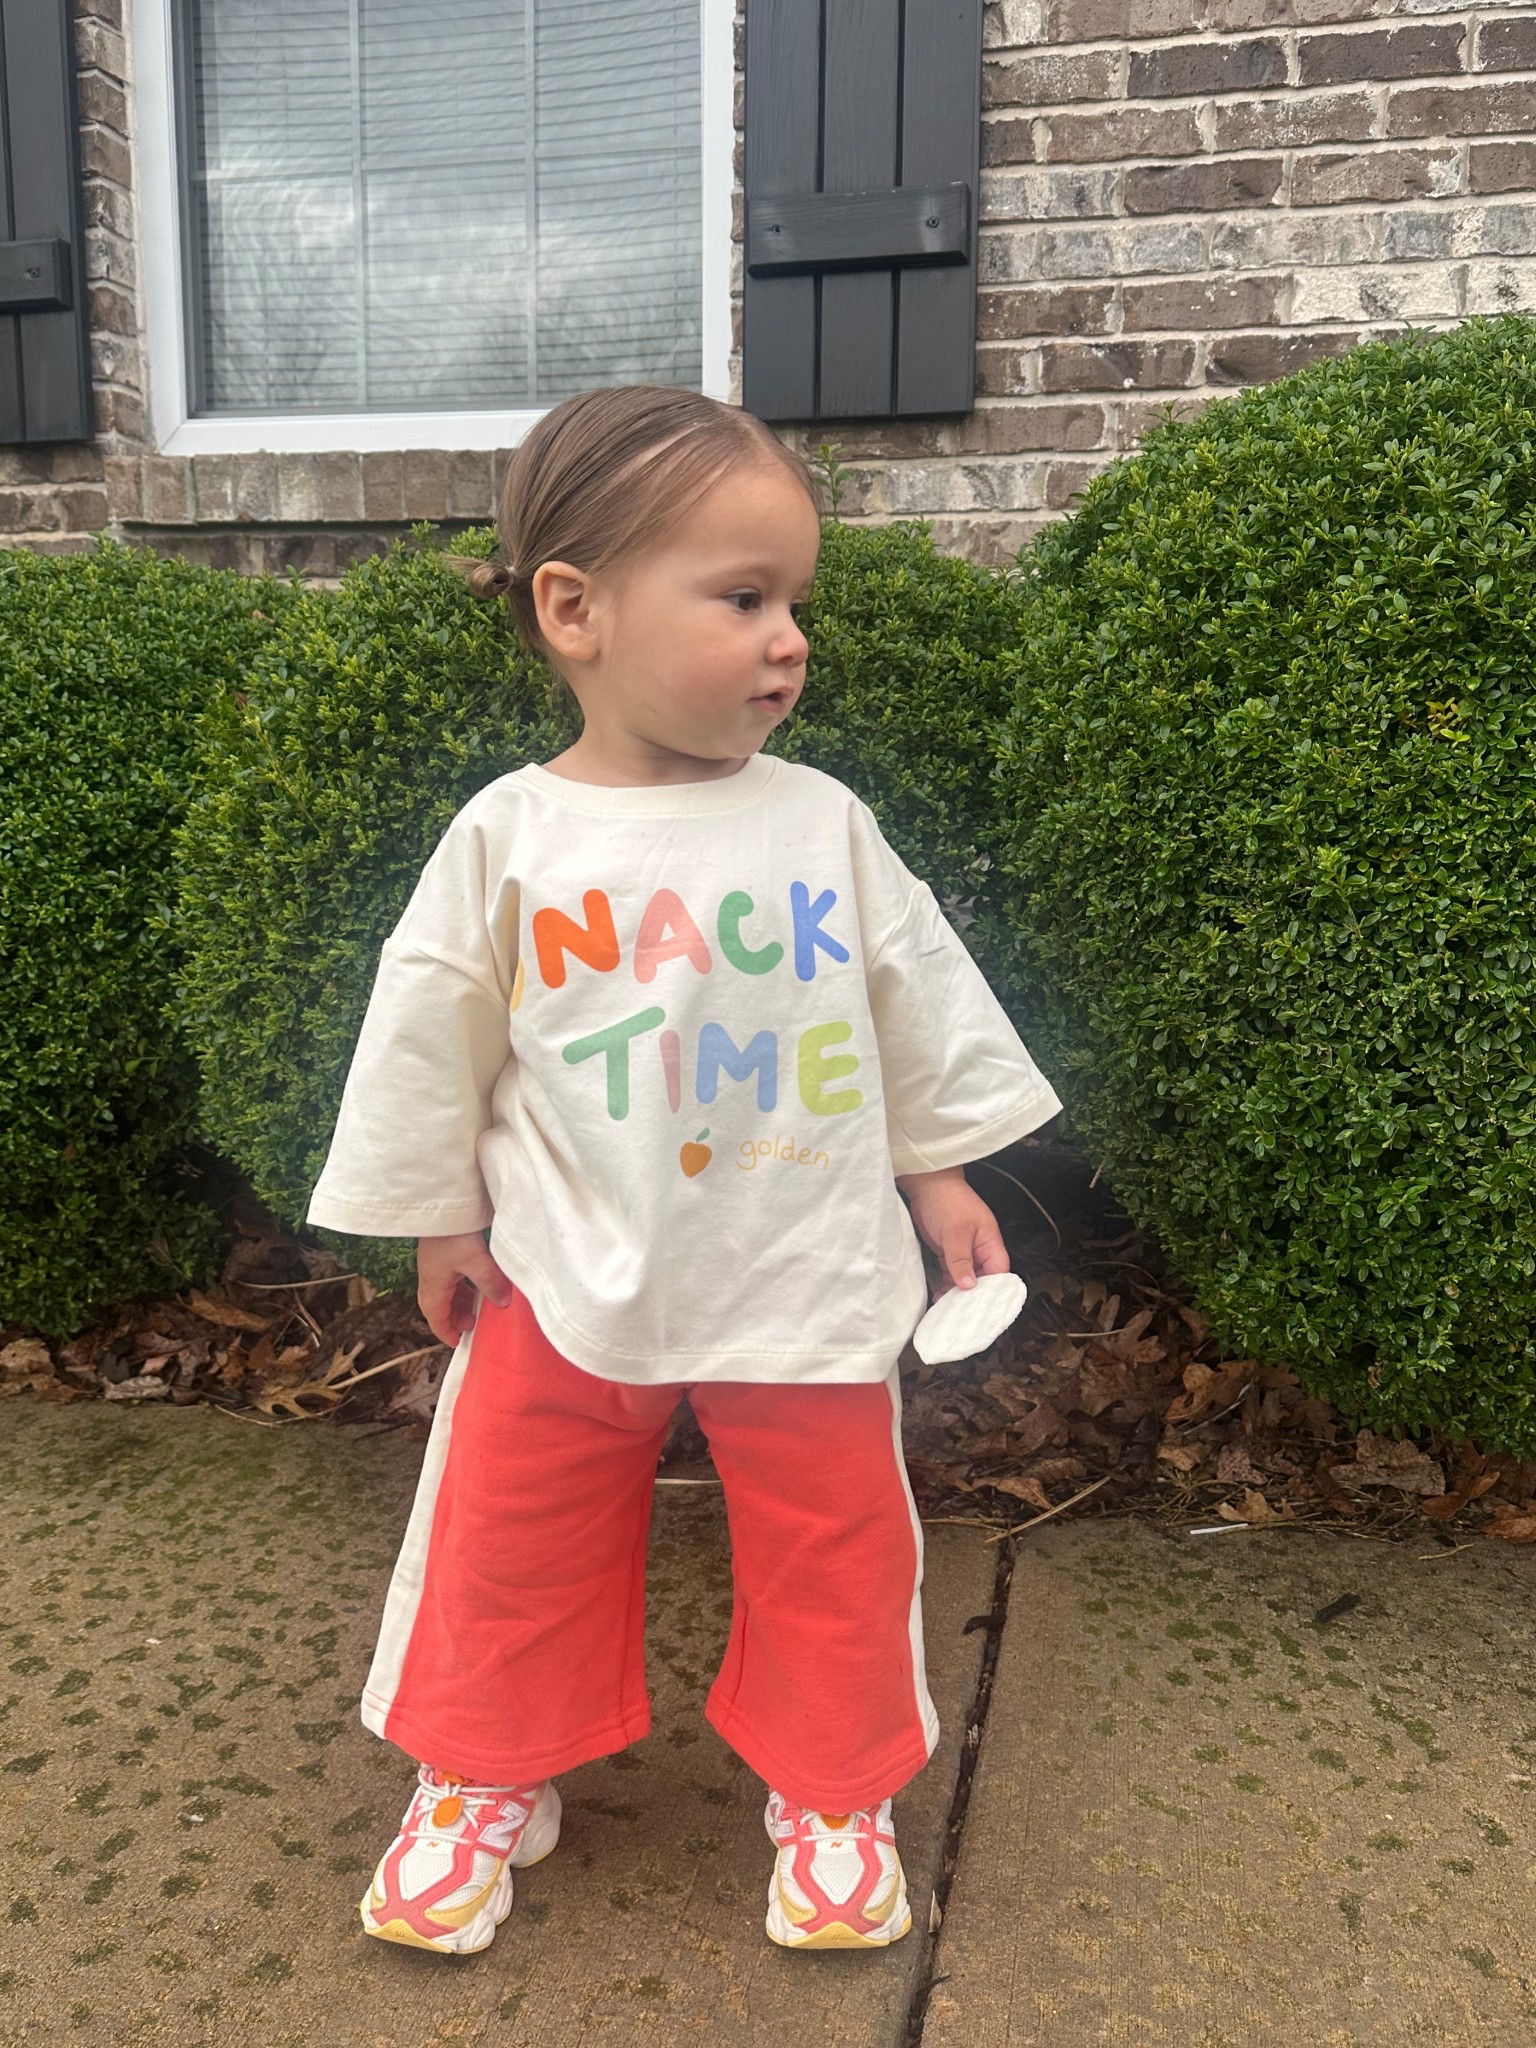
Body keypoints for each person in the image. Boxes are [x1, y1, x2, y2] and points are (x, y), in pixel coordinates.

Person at [305, 383, 1062, 1957]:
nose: (789, 637)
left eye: (794, 601)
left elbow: (905, 994)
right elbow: (432, 1026)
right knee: (507, 1525)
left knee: (838, 1536)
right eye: (741, 598)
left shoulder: (822, 825)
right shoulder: (509, 838)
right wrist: (441, 1211)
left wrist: (939, 1172)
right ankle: (483, 1770)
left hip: (800, 1264)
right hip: (564, 1267)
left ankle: (835, 1785)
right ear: (575, 609)